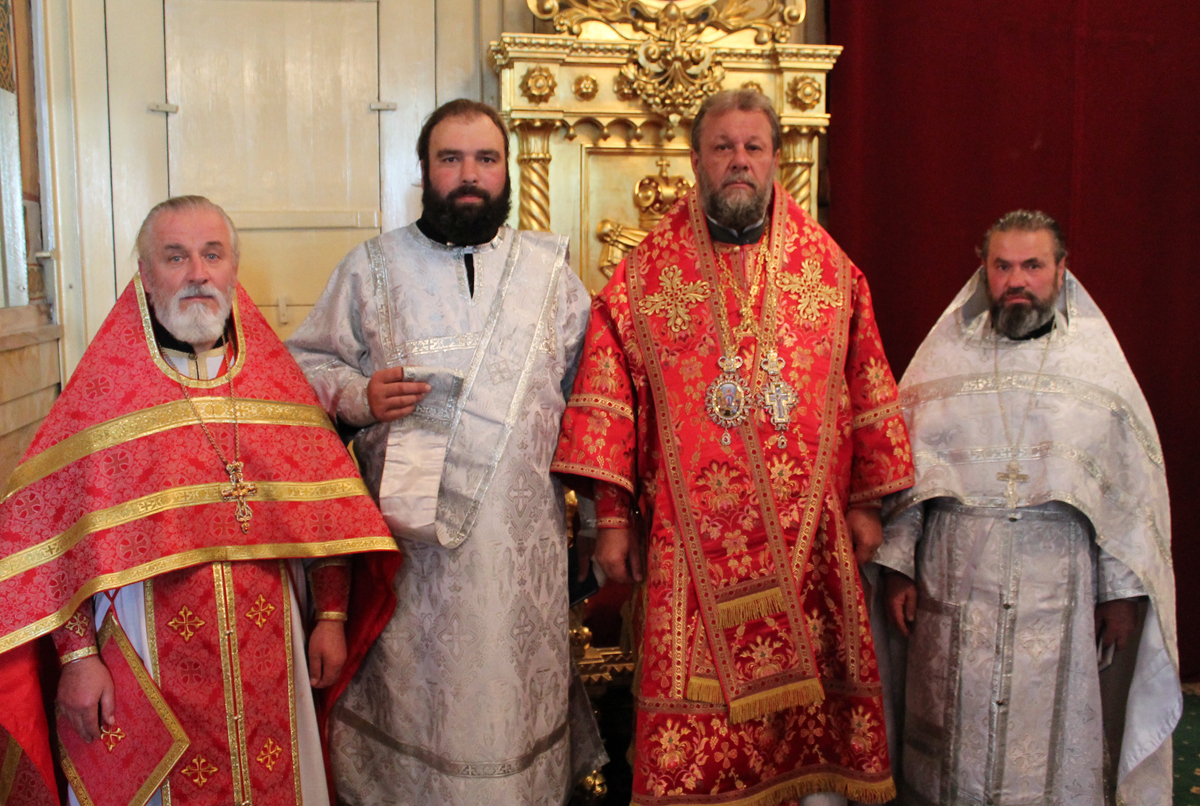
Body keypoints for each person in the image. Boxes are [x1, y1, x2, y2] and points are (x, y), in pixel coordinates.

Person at [552, 89, 915, 806]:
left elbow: (867, 387)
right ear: (696, 160)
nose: (739, 161)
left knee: (811, 733)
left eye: (753, 147)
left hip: (811, 545)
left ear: (777, 158)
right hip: (688, 552)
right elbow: (608, 403)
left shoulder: (831, 272)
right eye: (723, 147)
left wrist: (868, 504)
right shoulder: (642, 280)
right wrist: (614, 520)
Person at [0, 195, 399, 806]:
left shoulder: (277, 388)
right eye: (175, 257)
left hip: (272, 654)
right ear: (144, 274)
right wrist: (77, 657)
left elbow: (323, 512)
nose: (197, 274)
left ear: (233, 268)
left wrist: (331, 616)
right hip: (144, 659)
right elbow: (57, 546)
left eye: (212, 255)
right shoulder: (103, 398)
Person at [286, 98, 593, 804]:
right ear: (424, 170)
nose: (469, 175)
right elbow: (300, 368)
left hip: (523, 554)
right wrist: (360, 396)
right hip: (416, 563)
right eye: (450, 159)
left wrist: (601, 520)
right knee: (422, 718)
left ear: (507, 170)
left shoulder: (549, 274)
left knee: (516, 712)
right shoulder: (372, 267)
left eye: (486, 159)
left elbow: (593, 395)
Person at [876, 210, 1179, 805]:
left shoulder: (1097, 371)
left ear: (1061, 272)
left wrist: (1121, 592)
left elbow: (1127, 495)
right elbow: (904, 475)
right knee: (951, 746)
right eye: (1003, 266)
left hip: (1059, 593)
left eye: (1032, 266)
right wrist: (899, 568)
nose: (1017, 280)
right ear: (984, 272)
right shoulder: (942, 366)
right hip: (955, 589)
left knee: (1045, 748)